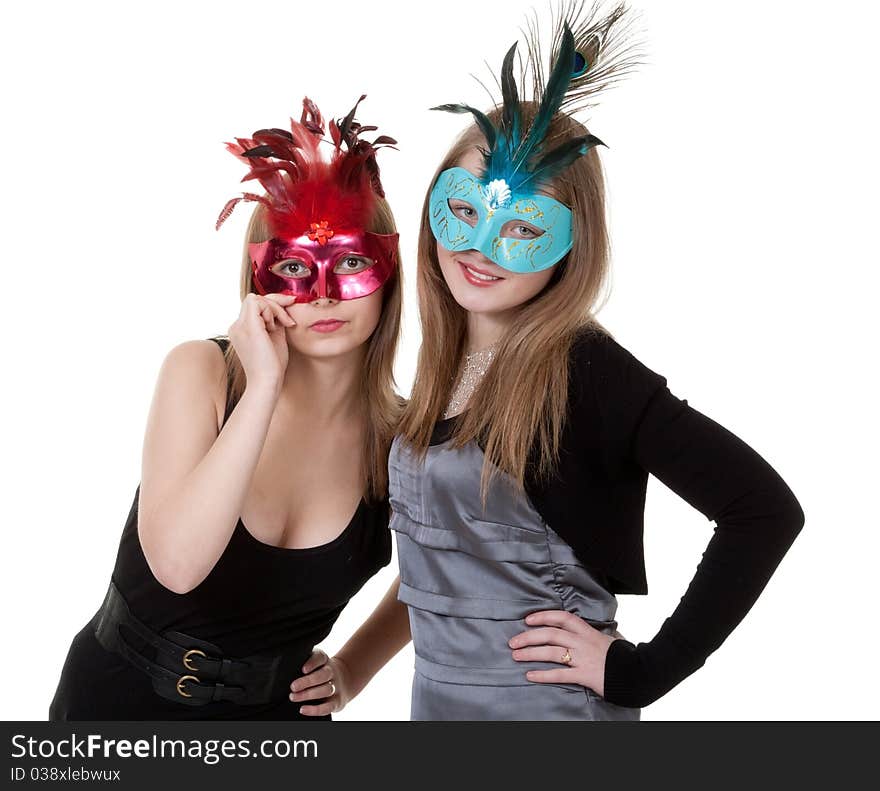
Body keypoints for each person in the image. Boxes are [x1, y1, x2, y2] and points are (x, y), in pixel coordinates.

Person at [389, 0, 806, 720]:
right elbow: (440, 571)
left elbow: (763, 509)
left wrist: (642, 671)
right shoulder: (437, 371)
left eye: (522, 226)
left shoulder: (582, 371)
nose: (482, 246)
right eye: (464, 211)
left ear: (569, 246)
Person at [48, 94, 407, 720]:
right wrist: (262, 387)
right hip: (117, 717)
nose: (323, 294)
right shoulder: (201, 374)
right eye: (294, 266)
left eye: (350, 261)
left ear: (389, 271)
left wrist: (354, 668)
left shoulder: (403, 441)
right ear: (259, 279)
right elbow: (178, 566)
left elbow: (447, 572)